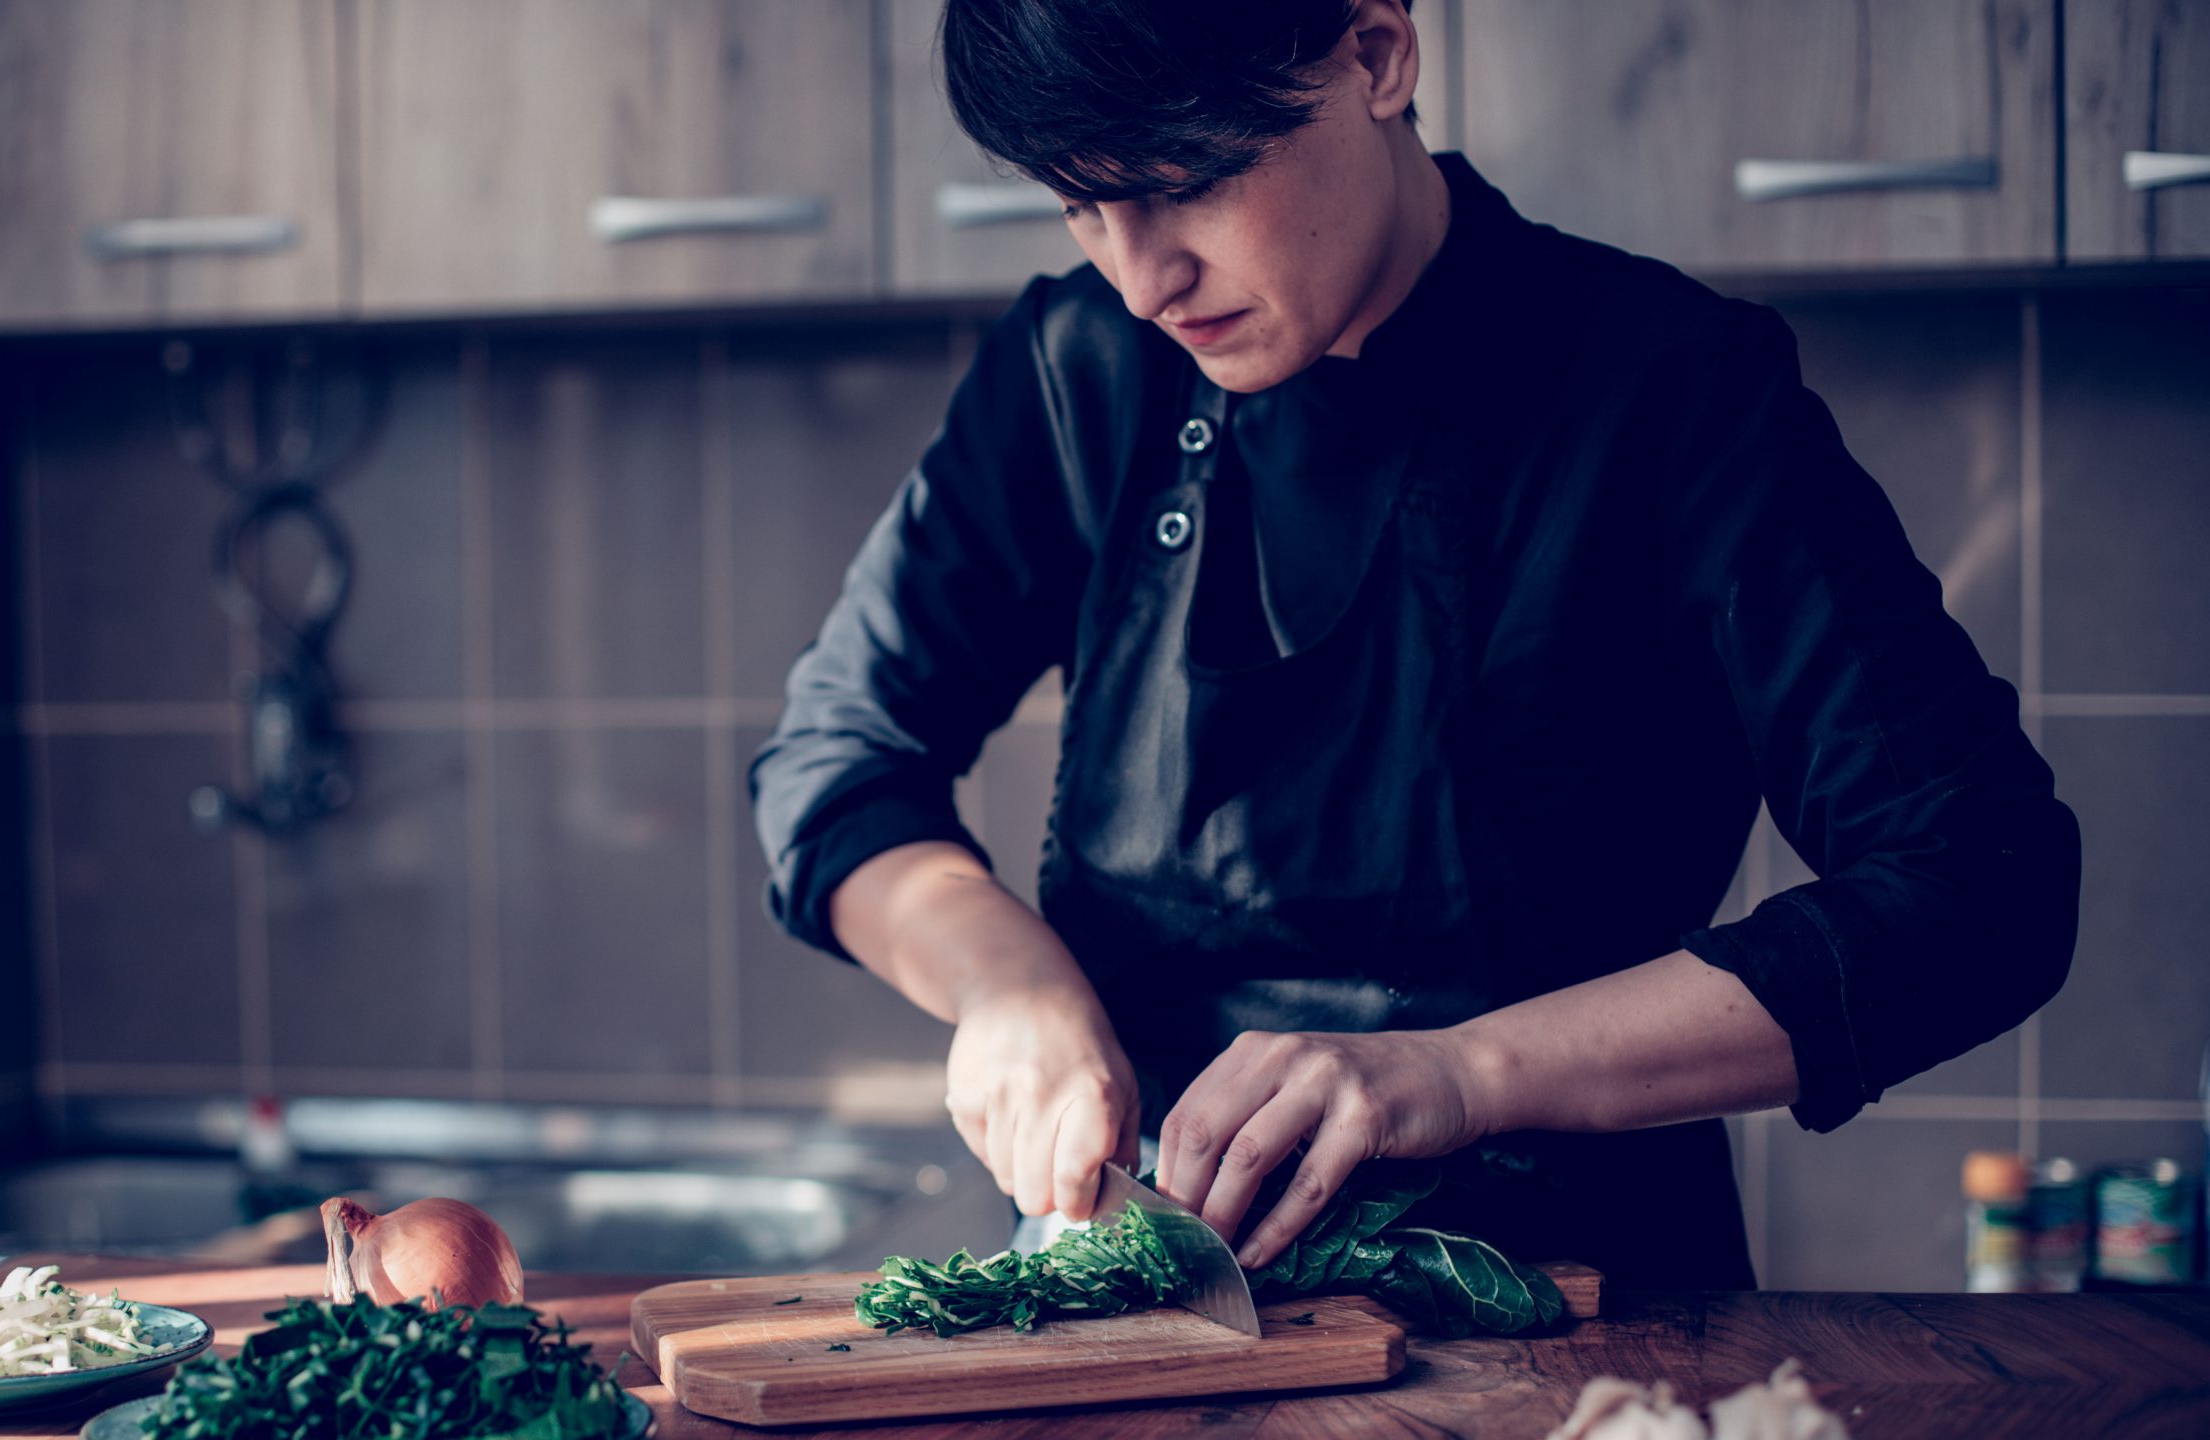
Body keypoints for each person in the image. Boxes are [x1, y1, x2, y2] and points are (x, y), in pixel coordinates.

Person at [748, 0, 2081, 1289]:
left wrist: (1467, 1073)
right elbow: (835, 762)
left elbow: (1983, 882)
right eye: (1082, 204)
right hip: (1142, 1316)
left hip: (1587, 1316)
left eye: (1187, 182)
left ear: (1376, 54)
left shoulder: (1675, 391)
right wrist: (1007, 986)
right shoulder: (1074, 372)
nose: (1143, 278)